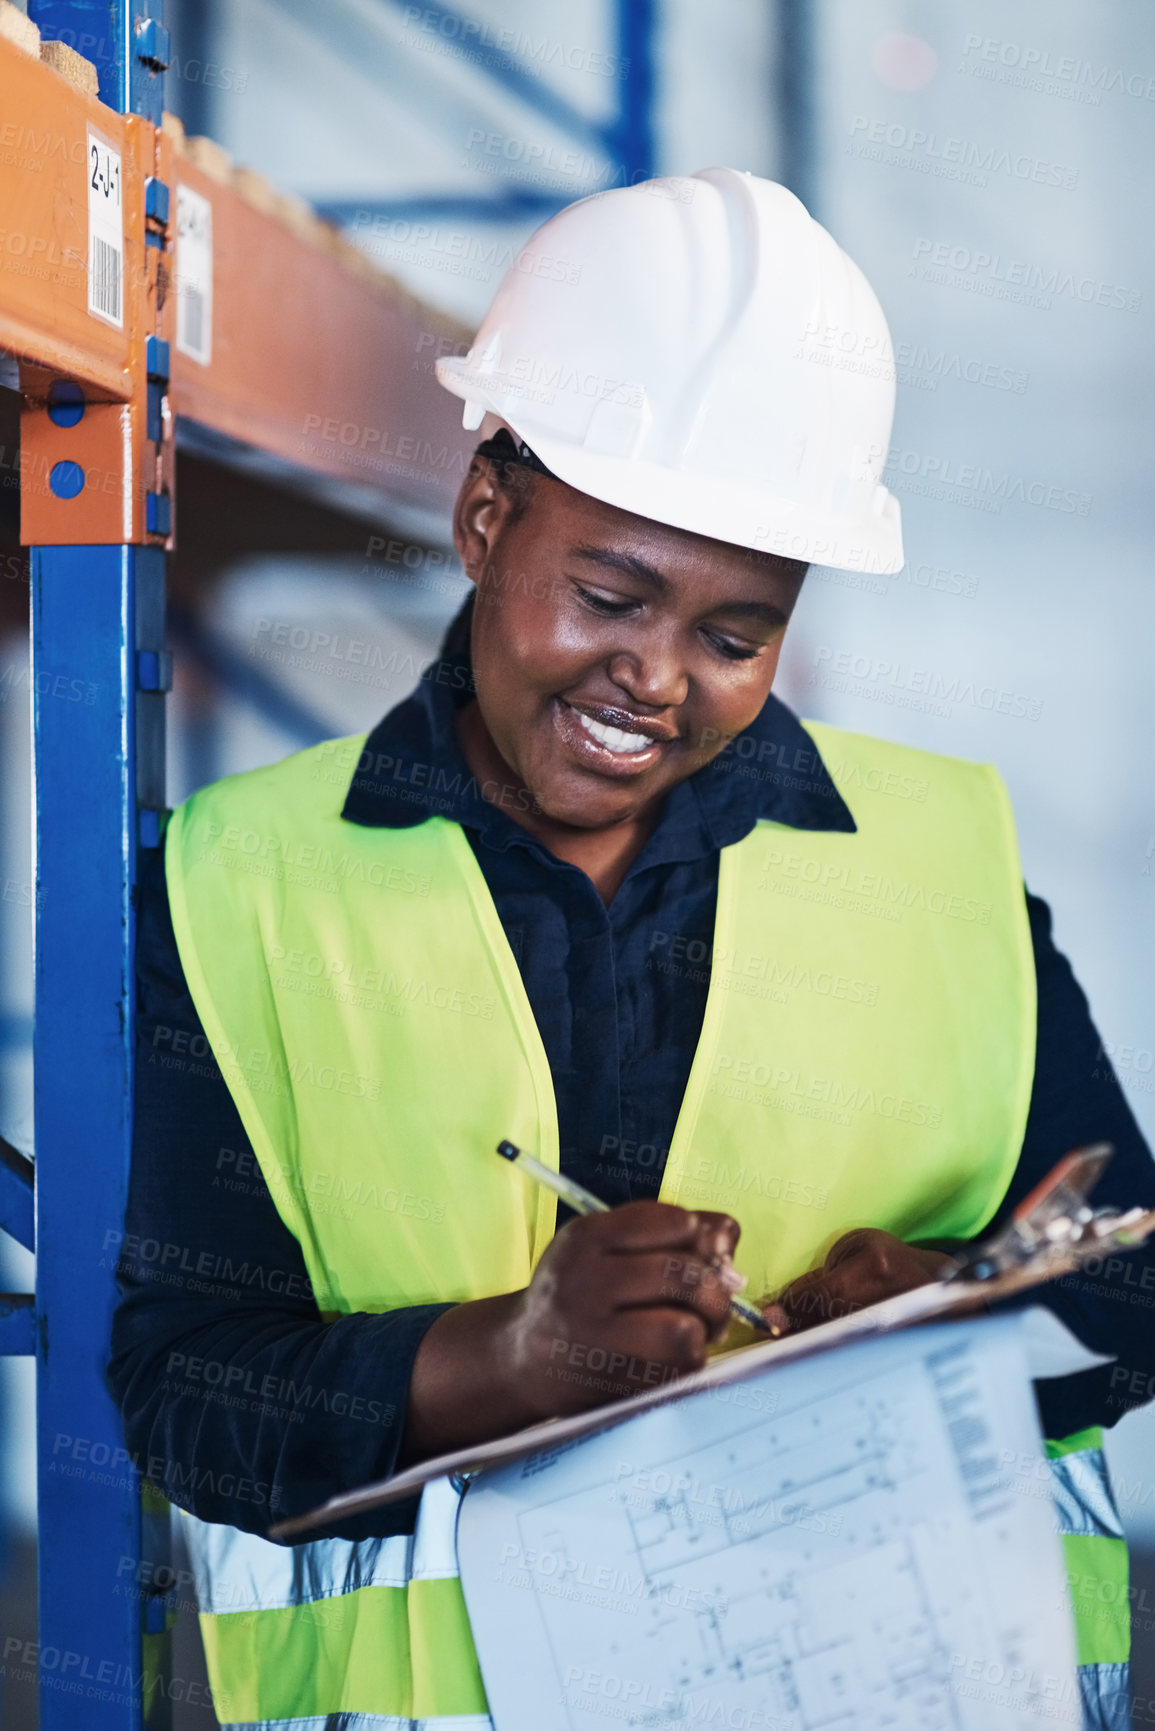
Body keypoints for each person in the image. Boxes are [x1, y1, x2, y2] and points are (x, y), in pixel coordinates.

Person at [108, 169, 1153, 1731]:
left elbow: (1128, 1290)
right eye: (610, 595)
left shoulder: (947, 873)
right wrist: (500, 1360)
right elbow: (185, 1394)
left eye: (737, 635)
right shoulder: (242, 889)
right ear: (482, 517)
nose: (656, 679)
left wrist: (945, 1298)